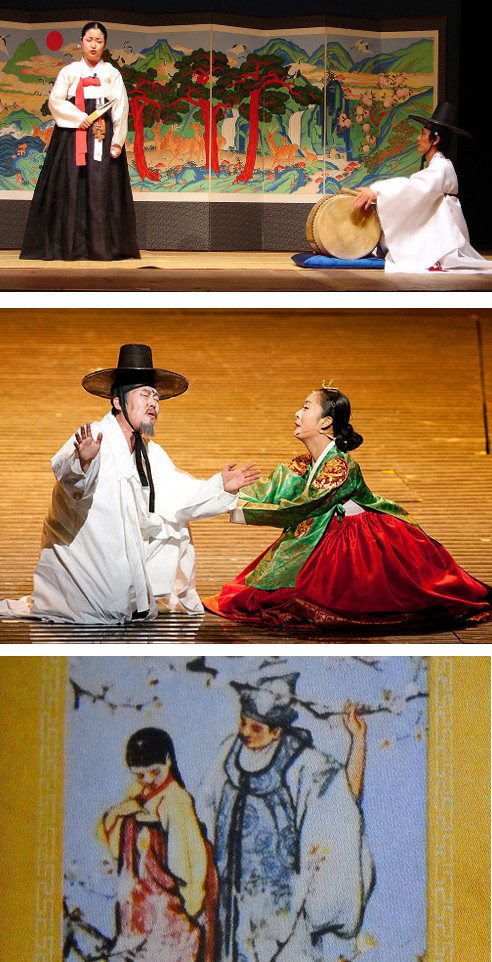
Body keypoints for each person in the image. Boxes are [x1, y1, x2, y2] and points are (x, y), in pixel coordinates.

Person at [0, 343, 259, 625]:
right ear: (118, 402)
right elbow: (69, 482)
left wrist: (220, 486)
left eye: (156, 397)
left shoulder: (149, 452)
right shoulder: (95, 435)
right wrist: (83, 462)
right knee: (106, 608)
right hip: (90, 549)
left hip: (123, 546)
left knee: (175, 527)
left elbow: (179, 494)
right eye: (145, 395)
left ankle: (139, 593)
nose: (153, 404)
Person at [205, 384, 491, 630]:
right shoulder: (306, 462)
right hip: (327, 529)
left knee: (306, 597)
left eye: (305, 408)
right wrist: (225, 489)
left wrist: (230, 503)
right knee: (259, 592)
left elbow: (301, 507)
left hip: (361, 539)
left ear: (325, 422)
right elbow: (274, 489)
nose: (297, 413)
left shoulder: (339, 467)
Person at [198, 673, 374, 962]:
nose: (245, 732)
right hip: (228, 906)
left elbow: (341, 805)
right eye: (243, 722)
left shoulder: (304, 763)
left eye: (255, 727)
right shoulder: (228, 754)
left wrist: (358, 742)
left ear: (277, 731)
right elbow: (205, 811)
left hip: (283, 914)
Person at [20, 21, 139, 260]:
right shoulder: (70, 71)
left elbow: (120, 108)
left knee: (100, 187)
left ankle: (101, 246)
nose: (93, 45)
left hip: (101, 135)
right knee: (70, 186)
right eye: (89, 40)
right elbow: (56, 101)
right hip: (72, 136)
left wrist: (117, 142)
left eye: (99, 41)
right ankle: (68, 246)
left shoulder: (111, 73)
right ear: (81, 42)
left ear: (105, 44)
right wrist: (79, 118)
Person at [101, 727, 217, 962]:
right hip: (137, 908)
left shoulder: (176, 801)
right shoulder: (136, 797)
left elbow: (189, 861)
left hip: (168, 912)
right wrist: (119, 813)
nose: (148, 780)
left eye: (155, 772)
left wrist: (192, 904)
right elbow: (120, 851)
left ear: (168, 761)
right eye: (140, 775)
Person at [353, 102, 492, 273]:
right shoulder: (438, 166)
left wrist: (377, 190)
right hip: (439, 228)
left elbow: (412, 188)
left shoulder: (441, 166)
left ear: (435, 139)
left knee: (408, 255)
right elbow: (416, 189)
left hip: (445, 233)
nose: (418, 138)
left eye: (423, 134)